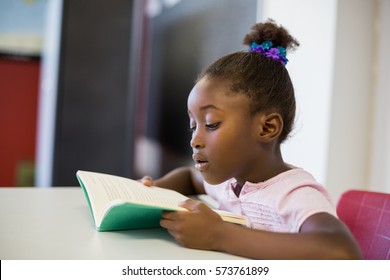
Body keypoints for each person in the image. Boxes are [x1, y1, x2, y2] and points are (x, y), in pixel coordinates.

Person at [141, 19, 362, 260]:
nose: (195, 140)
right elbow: (189, 177)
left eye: (212, 124)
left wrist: (219, 234)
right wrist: (151, 191)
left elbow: (342, 251)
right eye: (193, 126)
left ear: (267, 128)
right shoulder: (228, 181)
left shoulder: (293, 194)